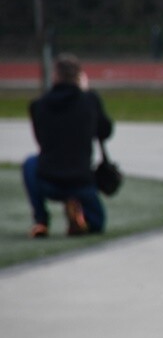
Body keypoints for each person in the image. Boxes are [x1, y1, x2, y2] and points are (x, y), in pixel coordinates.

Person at [22, 54, 114, 237]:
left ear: (55, 76)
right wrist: (86, 92)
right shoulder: (89, 101)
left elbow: (41, 140)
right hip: (81, 180)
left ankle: (41, 220)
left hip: (49, 179)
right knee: (96, 225)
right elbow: (105, 131)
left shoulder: (39, 105)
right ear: (79, 77)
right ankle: (79, 211)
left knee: (30, 164)